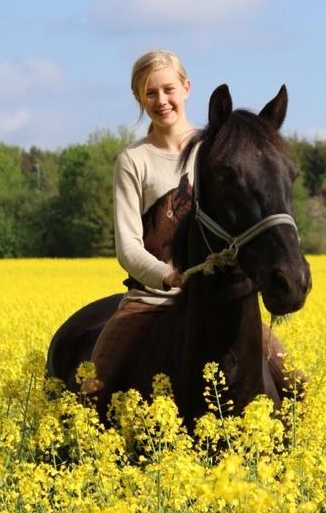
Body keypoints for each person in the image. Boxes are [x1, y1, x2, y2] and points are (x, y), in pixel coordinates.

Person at [85, 49, 294, 408]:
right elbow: (129, 248)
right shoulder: (134, 161)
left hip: (226, 303)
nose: (161, 100)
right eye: (150, 93)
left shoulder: (222, 151)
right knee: (93, 392)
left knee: (296, 389)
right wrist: (171, 276)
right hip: (150, 301)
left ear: (186, 87)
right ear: (139, 98)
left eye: (168, 89)